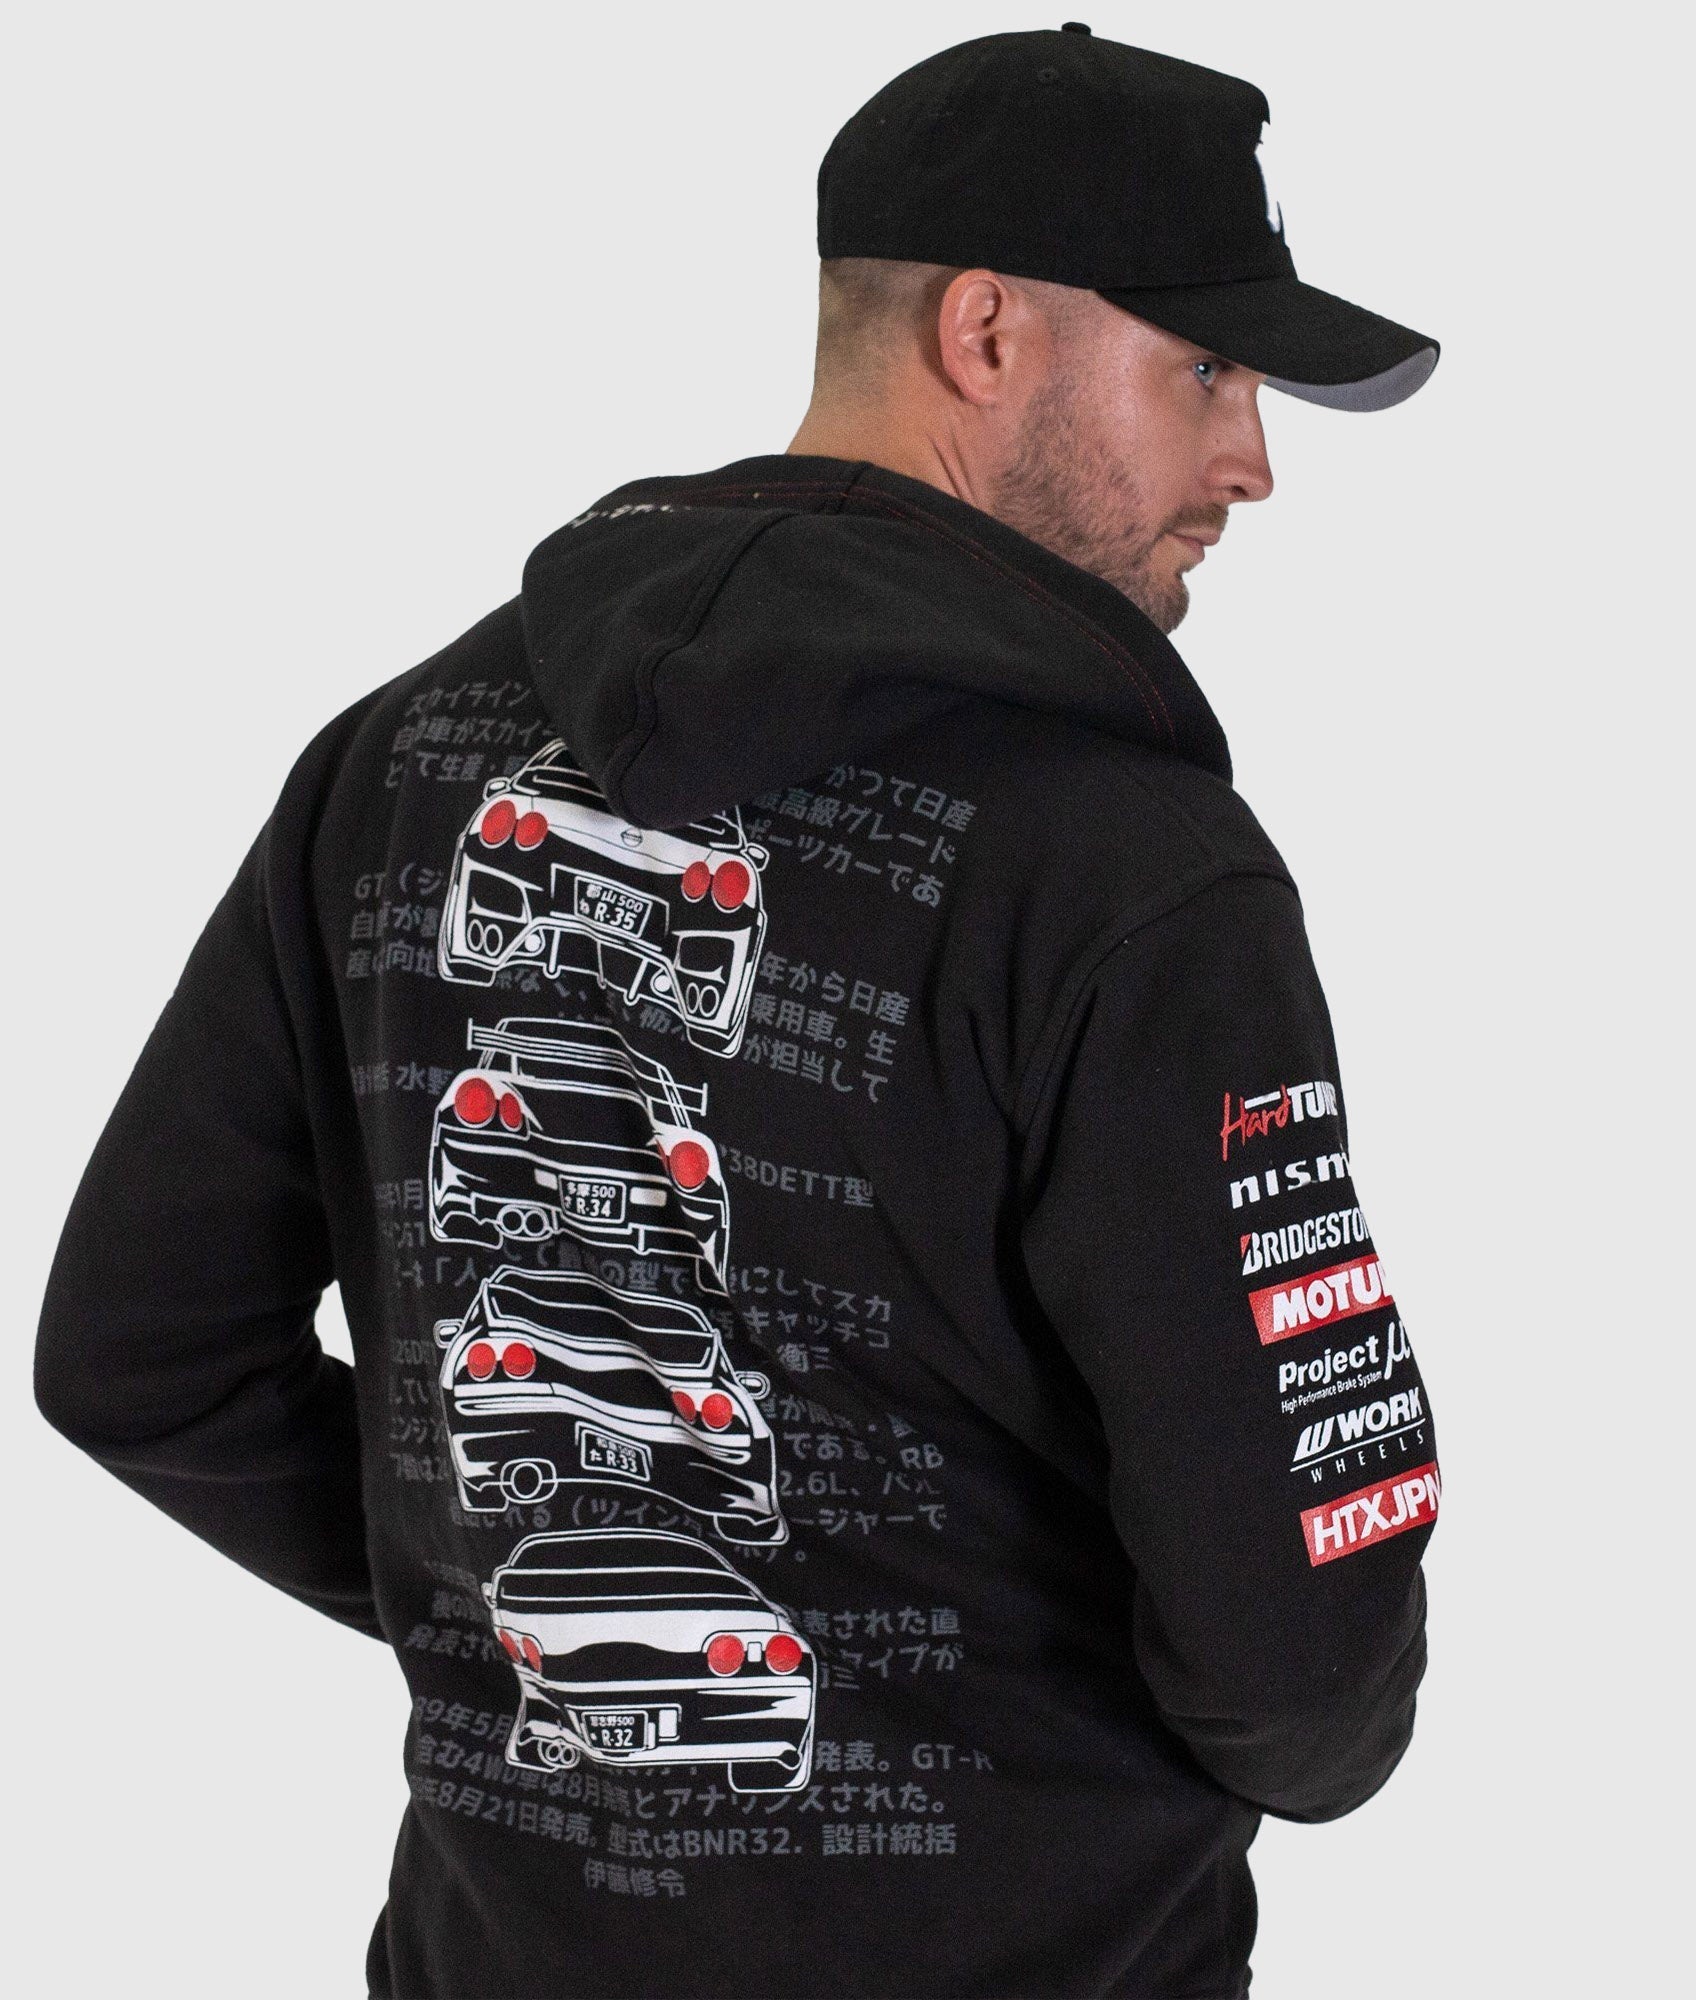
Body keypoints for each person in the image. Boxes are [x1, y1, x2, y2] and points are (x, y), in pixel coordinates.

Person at [34, 24, 1440, 2000]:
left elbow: (137, 1357)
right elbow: (1297, 1669)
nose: (1253, 463)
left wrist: (525, 1615)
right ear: (986, 332)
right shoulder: (1133, 876)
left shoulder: (396, 762)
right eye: (1206, 367)